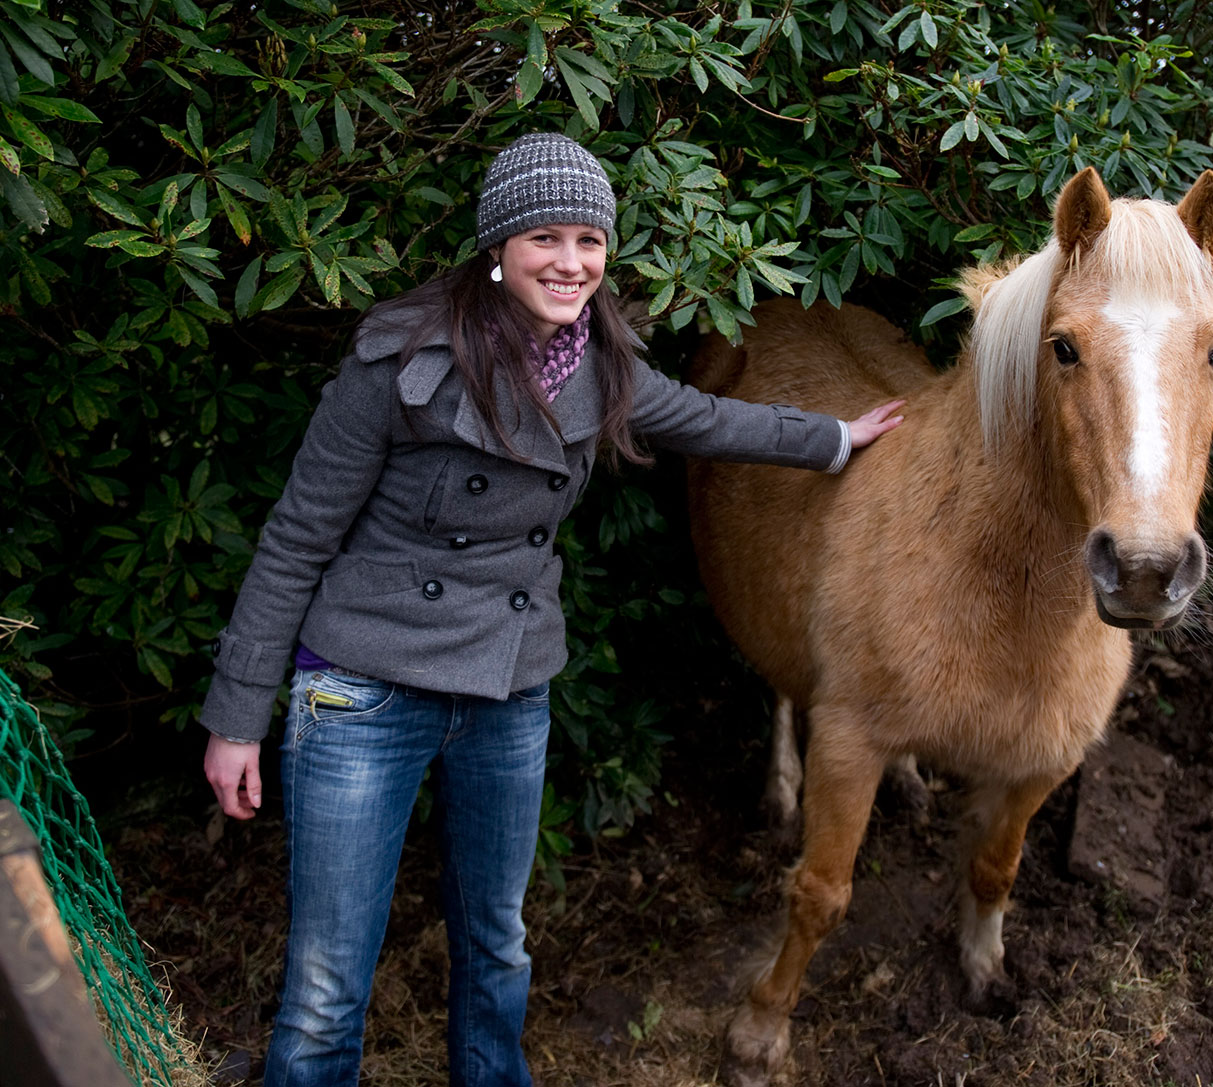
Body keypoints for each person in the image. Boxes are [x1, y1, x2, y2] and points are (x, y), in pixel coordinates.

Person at [198, 131, 903, 1087]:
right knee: (328, 985)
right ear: (497, 245)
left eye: (590, 240)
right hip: (363, 691)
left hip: (507, 686)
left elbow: (710, 419)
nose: (572, 264)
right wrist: (237, 718)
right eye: (546, 239)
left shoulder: (601, 362)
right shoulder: (396, 355)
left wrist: (835, 435)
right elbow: (294, 538)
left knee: (497, 945)